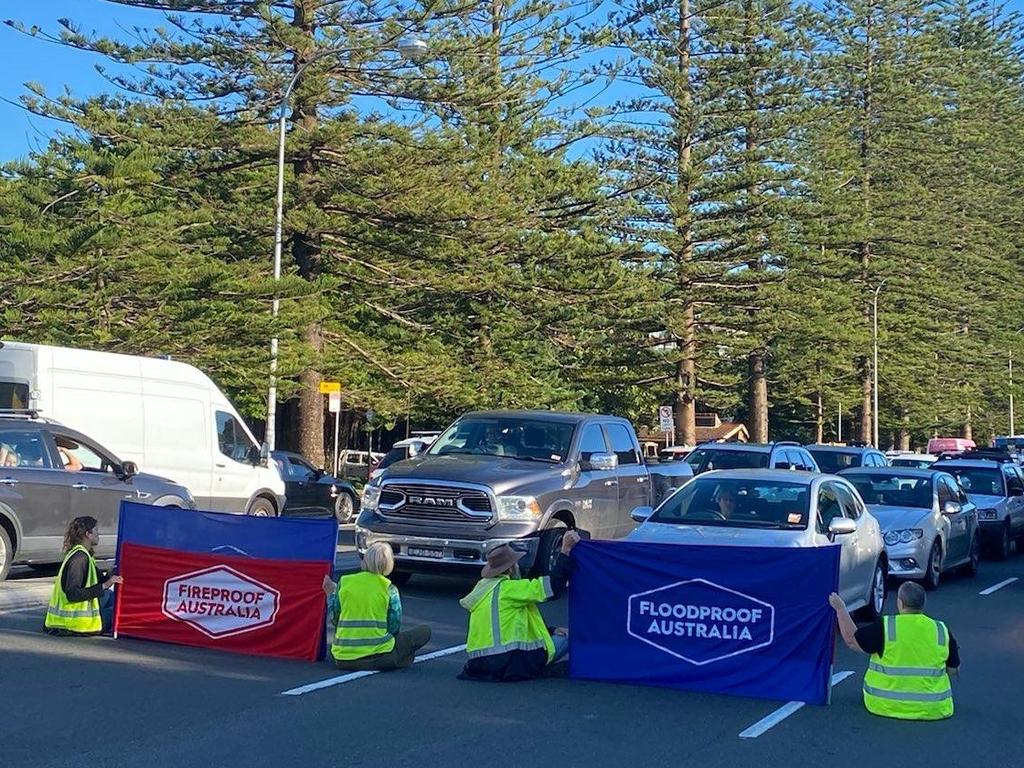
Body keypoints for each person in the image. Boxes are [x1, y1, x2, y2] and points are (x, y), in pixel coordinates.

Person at [459, 529, 581, 682]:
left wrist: (551, 630)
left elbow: (509, 625)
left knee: (555, 635)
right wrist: (565, 551)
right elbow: (553, 587)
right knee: (570, 637)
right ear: (510, 568)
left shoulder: (483, 589)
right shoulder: (509, 588)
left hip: (478, 665)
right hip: (510, 662)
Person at [829, 582, 958, 720]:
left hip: (884, 704)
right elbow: (952, 670)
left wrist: (841, 609)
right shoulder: (941, 629)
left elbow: (852, 640)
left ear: (900, 603)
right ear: (922, 604)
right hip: (933, 708)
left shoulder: (886, 626)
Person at [322, 542, 431, 670]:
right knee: (424, 631)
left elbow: (335, 618)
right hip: (377, 655)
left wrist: (331, 593)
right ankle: (396, 659)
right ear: (388, 564)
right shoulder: (389, 588)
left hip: (342, 658)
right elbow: (394, 626)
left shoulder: (345, 582)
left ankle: (395, 658)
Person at [45, 516, 123, 636]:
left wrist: (111, 574)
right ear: (88, 534)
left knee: (111, 596)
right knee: (118, 613)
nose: (99, 534)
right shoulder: (79, 559)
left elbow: (98, 581)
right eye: (96, 531)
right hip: (75, 622)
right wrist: (106, 585)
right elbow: (73, 594)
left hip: (76, 617)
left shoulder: (85, 555)